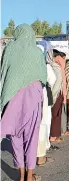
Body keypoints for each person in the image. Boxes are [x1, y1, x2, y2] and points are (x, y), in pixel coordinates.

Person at [1, 24, 47, 181]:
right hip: (33, 96)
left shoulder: (10, 48)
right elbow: (43, 77)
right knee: (31, 135)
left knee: (15, 135)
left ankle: (20, 175)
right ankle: (29, 175)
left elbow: (3, 71)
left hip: (13, 95)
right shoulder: (36, 51)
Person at [50, 49, 64, 142]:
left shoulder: (55, 67)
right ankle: (52, 136)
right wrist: (53, 98)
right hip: (53, 96)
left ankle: (54, 135)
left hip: (56, 95)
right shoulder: (53, 67)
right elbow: (55, 84)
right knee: (54, 116)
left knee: (56, 116)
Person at [58, 52, 69, 136]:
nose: (64, 60)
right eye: (63, 58)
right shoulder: (59, 68)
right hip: (60, 94)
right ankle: (62, 130)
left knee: (63, 113)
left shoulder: (62, 68)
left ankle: (62, 129)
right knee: (61, 113)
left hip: (63, 94)